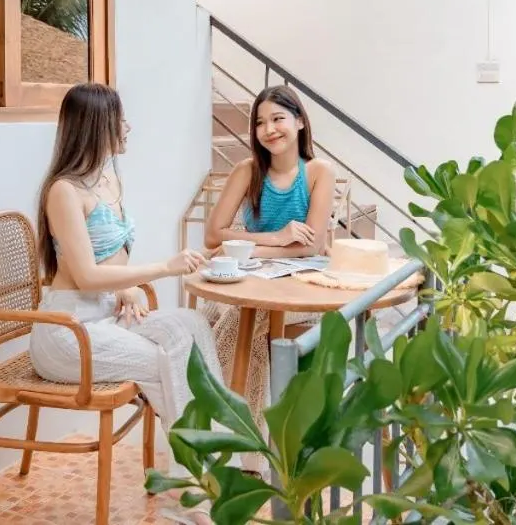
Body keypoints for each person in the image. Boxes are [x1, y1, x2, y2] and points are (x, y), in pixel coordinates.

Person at [27, 83, 218, 521]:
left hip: (107, 317)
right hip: (68, 333)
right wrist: (164, 268)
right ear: (97, 126)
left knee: (190, 326)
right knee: (169, 363)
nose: (128, 126)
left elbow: (106, 262)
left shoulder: (110, 175)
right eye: (120, 119)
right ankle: (200, 496)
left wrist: (128, 288)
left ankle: (220, 458)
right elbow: (88, 275)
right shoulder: (64, 191)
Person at [202, 85, 335, 470]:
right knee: (225, 318)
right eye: (260, 122)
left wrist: (248, 247)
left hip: (300, 289)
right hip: (247, 280)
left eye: (278, 118)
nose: (269, 129)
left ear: (298, 122)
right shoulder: (248, 171)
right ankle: (247, 445)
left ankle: (234, 438)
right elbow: (212, 236)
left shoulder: (319, 173)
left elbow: (312, 246)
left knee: (249, 320)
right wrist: (275, 238)